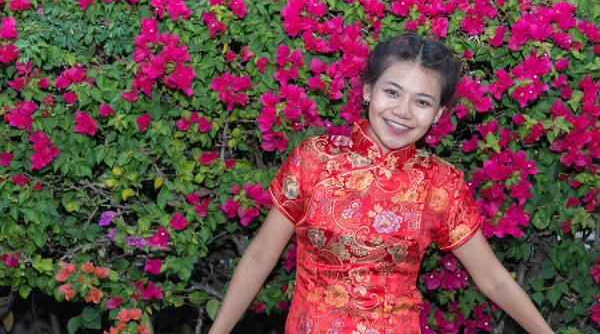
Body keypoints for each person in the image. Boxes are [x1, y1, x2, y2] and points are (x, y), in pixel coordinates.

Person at [208, 33, 553, 334]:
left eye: (421, 101)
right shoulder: (314, 159)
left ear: (437, 115)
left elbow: (493, 279)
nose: (403, 111)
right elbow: (259, 257)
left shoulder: (440, 183)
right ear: (369, 90)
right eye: (393, 92)